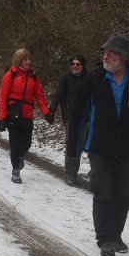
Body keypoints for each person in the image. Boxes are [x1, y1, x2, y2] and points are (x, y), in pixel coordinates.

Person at [66, 34, 129, 256]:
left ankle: (116, 235)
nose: (106, 56)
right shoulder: (95, 78)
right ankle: (105, 239)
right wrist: (73, 147)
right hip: (99, 147)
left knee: (123, 194)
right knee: (103, 190)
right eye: (105, 52)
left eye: (111, 53)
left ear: (124, 57)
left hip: (127, 149)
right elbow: (79, 114)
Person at [0, 48, 54, 183]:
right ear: (19, 60)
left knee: (26, 143)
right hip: (13, 114)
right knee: (15, 144)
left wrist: (46, 112)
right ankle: (15, 171)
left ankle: (19, 156)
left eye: (29, 59)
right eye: (25, 59)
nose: (28, 62)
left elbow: (39, 96)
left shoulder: (33, 76)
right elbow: (2, 98)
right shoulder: (10, 75)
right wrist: (2, 118)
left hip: (27, 115)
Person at [47, 54, 88, 184]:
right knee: (71, 143)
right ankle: (70, 173)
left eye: (78, 64)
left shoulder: (88, 79)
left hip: (83, 116)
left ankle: (73, 173)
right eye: (73, 64)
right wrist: (52, 110)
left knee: (79, 144)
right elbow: (58, 94)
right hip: (69, 115)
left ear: (83, 66)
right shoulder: (65, 77)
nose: (74, 66)